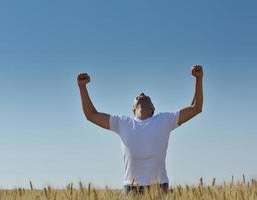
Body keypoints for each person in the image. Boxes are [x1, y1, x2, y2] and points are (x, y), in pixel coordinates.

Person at [77, 65, 203, 195]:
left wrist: (198, 79)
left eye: (145, 96)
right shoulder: (122, 122)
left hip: (159, 188)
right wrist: (82, 87)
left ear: (153, 108)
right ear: (133, 109)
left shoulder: (164, 120)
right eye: (138, 96)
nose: (141, 93)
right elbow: (91, 115)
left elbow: (196, 108)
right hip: (131, 189)